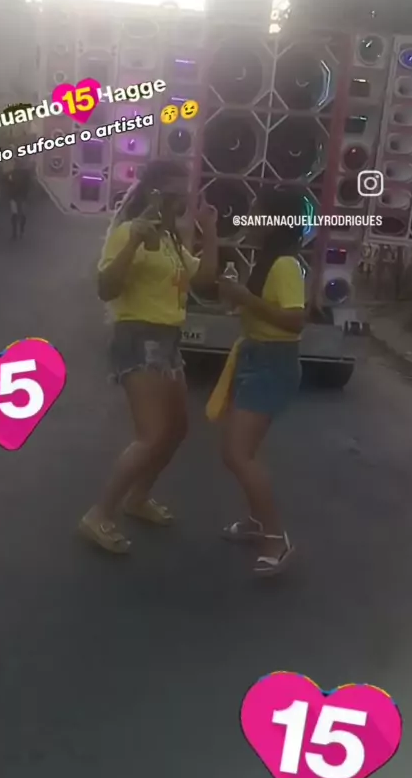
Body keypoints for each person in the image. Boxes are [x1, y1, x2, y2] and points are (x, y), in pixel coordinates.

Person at [80, 159, 219, 554]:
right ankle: (98, 515)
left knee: (177, 430)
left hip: (168, 340)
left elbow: (204, 280)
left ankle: (138, 498)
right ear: (155, 192)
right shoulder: (130, 230)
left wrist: (210, 232)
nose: (184, 199)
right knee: (153, 434)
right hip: (139, 338)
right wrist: (134, 242)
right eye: (176, 192)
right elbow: (106, 288)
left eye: (185, 191)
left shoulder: (171, 239)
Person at [212, 188, 306, 576]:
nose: (248, 218)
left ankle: (276, 539)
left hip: (272, 364)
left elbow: (296, 321)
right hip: (256, 357)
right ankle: (256, 522)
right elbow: (258, 310)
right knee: (240, 452)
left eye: (256, 211)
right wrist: (236, 295)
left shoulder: (285, 265)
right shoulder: (266, 261)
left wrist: (245, 299)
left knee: (238, 454)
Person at [6, 159, 31, 239]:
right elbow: (8, 183)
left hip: (19, 196)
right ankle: (16, 232)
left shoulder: (24, 173)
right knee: (16, 214)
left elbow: (28, 185)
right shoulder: (12, 173)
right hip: (16, 196)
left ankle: (19, 231)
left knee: (19, 214)